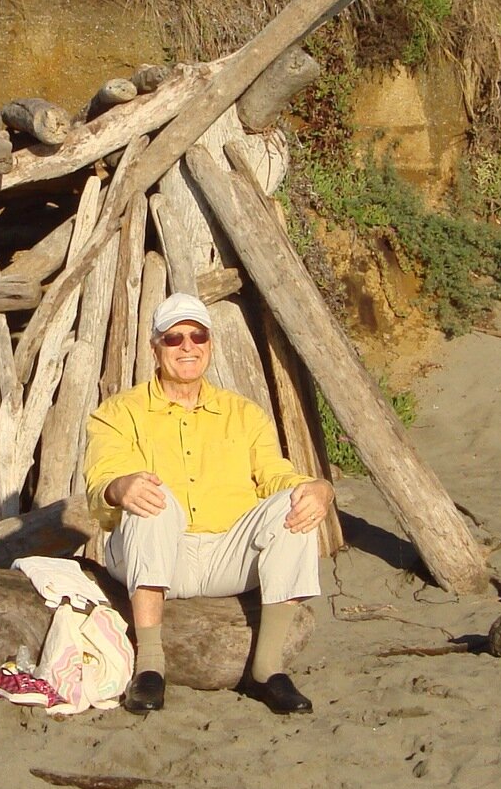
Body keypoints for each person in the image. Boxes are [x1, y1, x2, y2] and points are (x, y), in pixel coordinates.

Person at [82, 292, 336, 716]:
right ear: (155, 348)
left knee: (295, 503)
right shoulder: (119, 412)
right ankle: (149, 666)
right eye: (174, 338)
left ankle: (268, 670)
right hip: (156, 552)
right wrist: (119, 486)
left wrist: (318, 488)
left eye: (197, 336)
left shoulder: (245, 413)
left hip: (225, 556)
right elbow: (101, 483)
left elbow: (276, 473)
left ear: (210, 344)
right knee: (151, 496)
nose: (187, 347)